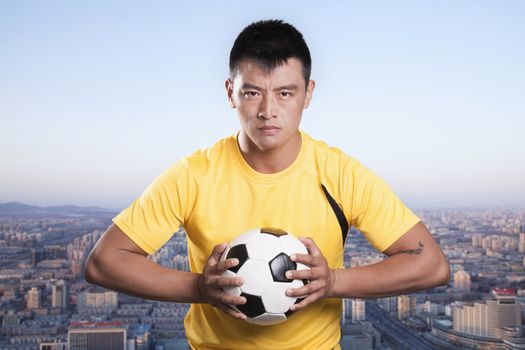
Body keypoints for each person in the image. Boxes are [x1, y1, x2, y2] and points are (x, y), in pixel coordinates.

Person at [85, 19, 450, 350]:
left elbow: (431, 264)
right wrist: (200, 288)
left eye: (285, 93)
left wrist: (334, 282)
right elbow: (104, 263)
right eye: (252, 92)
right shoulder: (193, 175)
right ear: (230, 93)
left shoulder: (342, 175)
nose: (267, 111)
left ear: (308, 93)